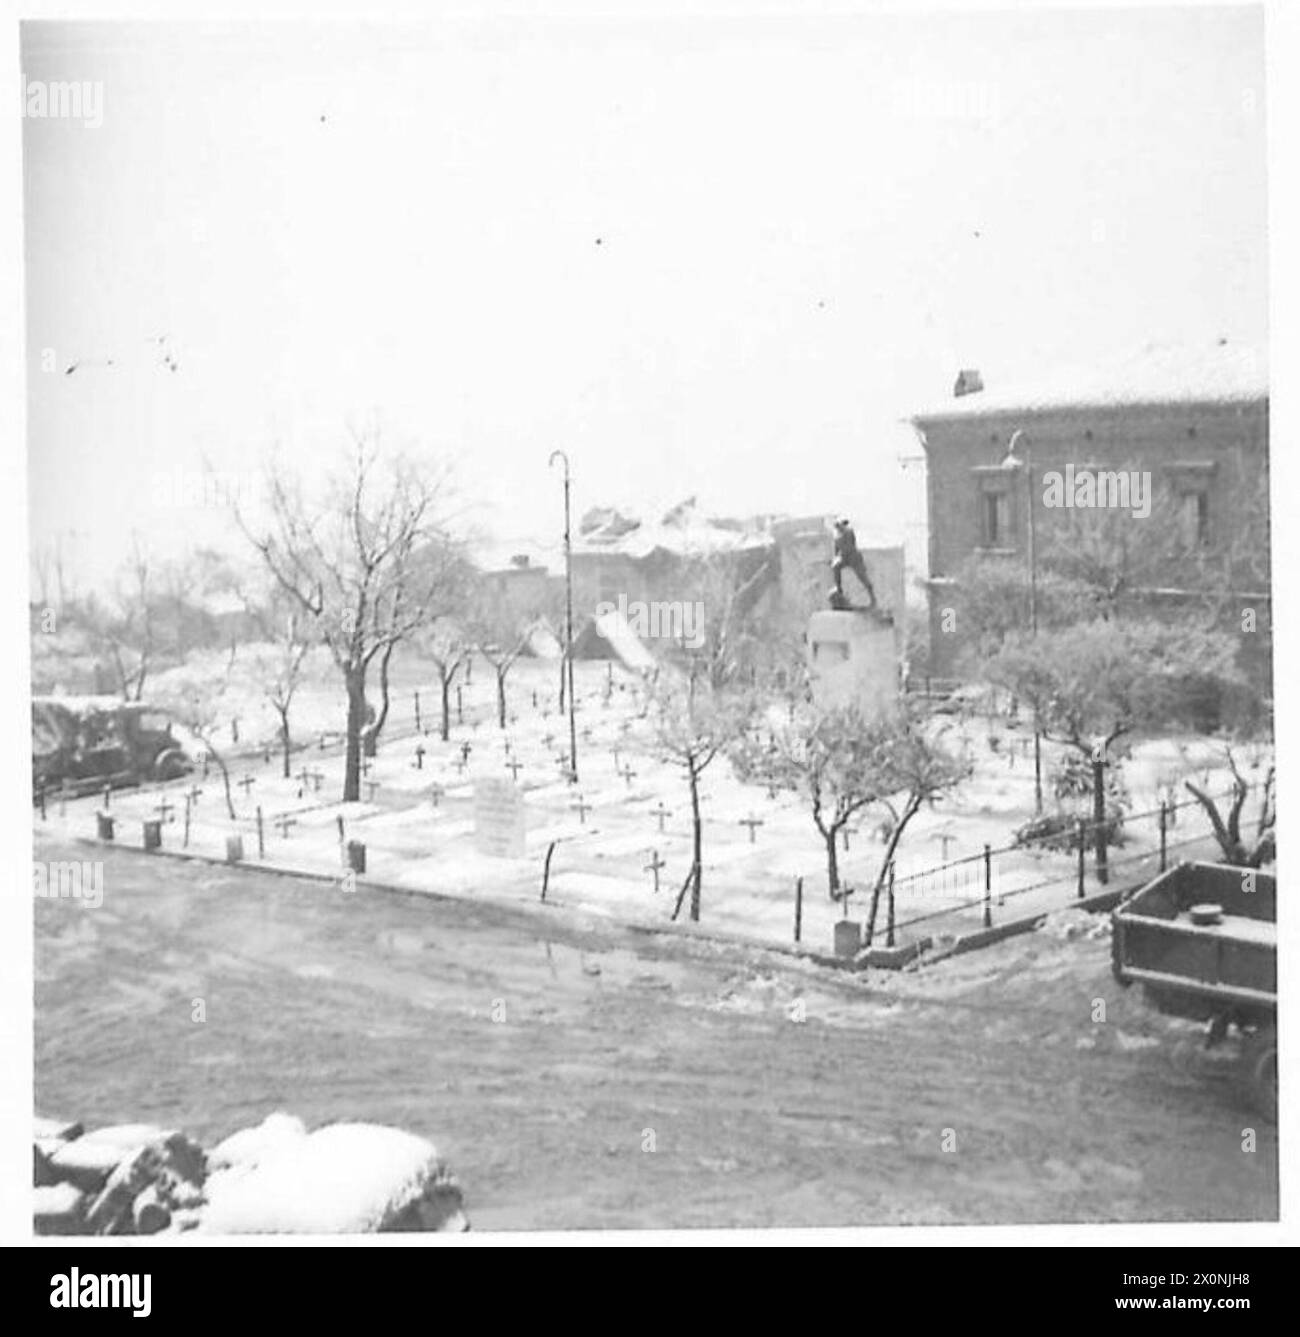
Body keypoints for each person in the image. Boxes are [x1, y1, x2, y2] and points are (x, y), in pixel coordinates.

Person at [830, 517, 878, 609]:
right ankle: (839, 590)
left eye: (840, 525)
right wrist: (834, 559)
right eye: (837, 526)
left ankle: (873, 598)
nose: (839, 527)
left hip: (854, 557)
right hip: (845, 558)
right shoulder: (836, 538)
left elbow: (849, 546)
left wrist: (841, 555)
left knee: (862, 577)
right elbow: (836, 552)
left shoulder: (848, 532)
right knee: (836, 567)